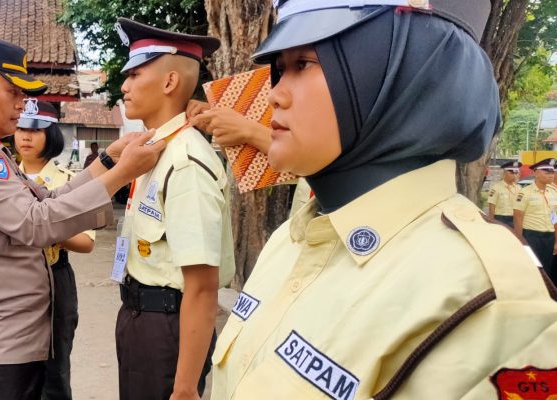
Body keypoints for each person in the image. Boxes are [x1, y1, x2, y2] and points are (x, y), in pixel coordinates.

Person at [211, 1, 557, 399]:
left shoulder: (486, 303)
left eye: (303, 63)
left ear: (401, 77)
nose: (274, 95)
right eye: (280, 68)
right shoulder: (289, 240)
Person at [0, 34, 165, 400]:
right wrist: (122, 175)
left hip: (4, 346)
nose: (23, 104)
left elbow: (47, 199)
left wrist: (108, 162)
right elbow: (35, 224)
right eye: (13, 92)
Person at [113, 18, 235, 400]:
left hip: (167, 327)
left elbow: (202, 288)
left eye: (134, 75)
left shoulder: (185, 161)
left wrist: (184, 387)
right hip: (139, 317)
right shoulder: (154, 151)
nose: (124, 86)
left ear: (169, 83)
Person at [15, 99, 95, 400]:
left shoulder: (69, 181)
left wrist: (41, 226)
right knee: (11, 365)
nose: (25, 136)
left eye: (35, 131)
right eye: (20, 128)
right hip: (10, 276)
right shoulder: (2, 176)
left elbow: (86, 242)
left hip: (53, 277)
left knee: (54, 366)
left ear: (51, 135)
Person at [188, 100, 312, 217]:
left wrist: (249, 130)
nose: (275, 94)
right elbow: (249, 165)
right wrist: (224, 123)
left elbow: (311, 157)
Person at [514, 158, 557, 282]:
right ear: (535, 173)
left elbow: (555, 218)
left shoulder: (553, 193)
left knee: (547, 270)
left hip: (549, 237)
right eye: (547, 172)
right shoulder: (525, 193)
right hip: (531, 236)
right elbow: (518, 217)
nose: (551, 175)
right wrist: (520, 241)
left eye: (552, 172)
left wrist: (556, 241)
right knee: (532, 269)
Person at [487, 160, 521, 227]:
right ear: (504, 173)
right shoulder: (496, 188)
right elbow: (491, 207)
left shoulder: (518, 188)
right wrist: (491, 222)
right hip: (500, 218)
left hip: (514, 218)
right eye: (511, 173)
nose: (514, 175)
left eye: (516, 173)